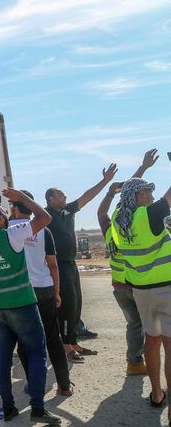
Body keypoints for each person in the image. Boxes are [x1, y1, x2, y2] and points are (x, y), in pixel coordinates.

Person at [0, 188, 61, 425]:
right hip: (22, 304)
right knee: (37, 354)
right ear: (2, 220)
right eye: (5, 214)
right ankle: (38, 408)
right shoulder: (11, 234)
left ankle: (8, 407)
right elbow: (45, 218)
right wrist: (22, 199)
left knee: (3, 358)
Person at [108, 173, 171, 418]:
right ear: (141, 195)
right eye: (149, 192)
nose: (153, 196)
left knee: (152, 341)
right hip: (166, 288)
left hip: (141, 292)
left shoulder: (118, 219)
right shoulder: (149, 215)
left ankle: (156, 393)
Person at [45, 164, 117, 362]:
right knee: (66, 306)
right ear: (50, 199)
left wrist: (105, 181)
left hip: (70, 264)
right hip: (57, 265)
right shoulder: (45, 216)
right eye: (60, 195)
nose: (65, 197)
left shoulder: (67, 211)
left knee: (76, 305)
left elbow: (87, 196)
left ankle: (73, 341)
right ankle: (66, 346)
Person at [97, 150, 157, 377]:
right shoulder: (140, 219)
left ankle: (134, 362)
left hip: (119, 284)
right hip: (139, 282)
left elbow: (111, 207)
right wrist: (143, 168)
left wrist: (111, 193)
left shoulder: (114, 225)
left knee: (134, 325)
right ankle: (146, 364)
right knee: (152, 327)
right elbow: (132, 194)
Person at [9, 191, 74, 396]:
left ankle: (34, 384)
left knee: (25, 342)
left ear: (13, 208)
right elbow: (53, 265)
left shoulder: (8, 230)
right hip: (44, 288)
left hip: (22, 292)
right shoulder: (44, 231)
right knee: (53, 339)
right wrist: (56, 292)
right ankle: (64, 385)